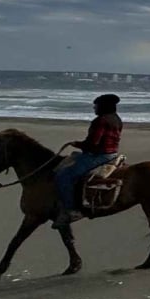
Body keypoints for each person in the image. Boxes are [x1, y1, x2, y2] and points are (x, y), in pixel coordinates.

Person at [53, 94, 123, 228]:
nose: (94, 108)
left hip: (99, 156)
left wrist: (76, 143)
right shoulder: (116, 119)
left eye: (96, 105)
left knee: (63, 176)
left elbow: (93, 143)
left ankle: (71, 210)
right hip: (112, 154)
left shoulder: (101, 121)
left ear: (103, 106)